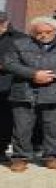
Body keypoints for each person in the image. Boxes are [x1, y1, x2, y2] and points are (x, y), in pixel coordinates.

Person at [3, 16, 56, 171]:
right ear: (32, 32)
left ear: (55, 31)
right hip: (24, 91)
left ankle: (51, 157)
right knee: (22, 128)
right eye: (39, 32)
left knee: (53, 127)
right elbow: (10, 63)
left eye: (48, 32)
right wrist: (33, 74)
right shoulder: (19, 44)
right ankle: (20, 158)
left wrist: (52, 74)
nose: (44, 35)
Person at [0, 11, 17, 162]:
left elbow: (23, 60)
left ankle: (1, 149)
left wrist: (4, 65)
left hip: (6, 85)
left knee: (4, 119)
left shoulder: (19, 38)